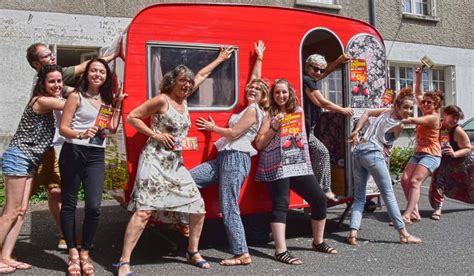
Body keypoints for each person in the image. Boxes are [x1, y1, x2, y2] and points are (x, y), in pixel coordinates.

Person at [114, 46, 234, 275]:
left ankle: (192, 252)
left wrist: (220, 58)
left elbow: (202, 75)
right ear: (173, 81)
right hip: (154, 160)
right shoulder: (162, 100)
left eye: (189, 82)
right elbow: (132, 117)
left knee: (198, 207)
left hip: (174, 163)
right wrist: (156, 134)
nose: (187, 85)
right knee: (143, 211)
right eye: (182, 81)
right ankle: (124, 261)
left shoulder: (185, 99)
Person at [26, 42, 119, 249]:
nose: (52, 57)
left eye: (52, 54)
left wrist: (115, 104)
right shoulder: (47, 91)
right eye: (46, 56)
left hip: (56, 148)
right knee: (21, 205)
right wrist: (79, 101)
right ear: (36, 64)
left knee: (59, 193)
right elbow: (81, 76)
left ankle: (66, 238)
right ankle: (5, 245)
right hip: (34, 150)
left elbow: (86, 68)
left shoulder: (68, 81)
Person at [189, 41, 269, 266]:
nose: (252, 89)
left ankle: (242, 253)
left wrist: (212, 128)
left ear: (263, 96)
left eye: (257, 90)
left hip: (236, 158)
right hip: (223, 158)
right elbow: (255, 80)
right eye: (250, 88)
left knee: (229, 205)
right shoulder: (249, 105)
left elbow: (234, 133)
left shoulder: (254, 110)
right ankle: (182, 219)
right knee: (188, 180)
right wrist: (259, 58)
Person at [255, 78, 336, 266]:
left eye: (284, 92)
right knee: (281, 204)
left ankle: (318, 241)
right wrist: (274, 126)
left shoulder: (297, 112)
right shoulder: (269, 114)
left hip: (297, 163)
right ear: (273, 95)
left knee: (318, 199)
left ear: (290, 93)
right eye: (277, 92)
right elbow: (259, 144)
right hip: (275, 164)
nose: (281, 95)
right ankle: (280, 251)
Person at [59, 58, 125, 276]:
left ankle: (85, 252)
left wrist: (117, 105)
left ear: (106, 77)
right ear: (86, 74)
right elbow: (63, 128)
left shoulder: (106, 99)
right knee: (69, 205)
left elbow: (112, 129)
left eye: (102, 72)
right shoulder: (75, 96)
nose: (98, 74)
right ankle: (72, 254)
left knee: (94, 206)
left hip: (96, 154)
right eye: (94, 70)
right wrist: (80, 133)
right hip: (73, 152)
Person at [0, 65, 66, 274]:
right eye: (52, 81)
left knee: (20, 211)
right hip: (18, 158)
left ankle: (6, 256)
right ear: (42, 84)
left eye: (59, 81)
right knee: (10, 212)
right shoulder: (41, 101)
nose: (57, 85)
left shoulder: (49, 100)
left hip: (29, 161)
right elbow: (71, 104)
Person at [346, 88, 422, 245]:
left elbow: (367, 112)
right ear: (397, 106)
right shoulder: (398, 124)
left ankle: (353, 233)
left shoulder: (386, 111)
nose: (408, 111)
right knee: (388, 194)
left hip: (359, 151)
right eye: (405, 107)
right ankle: (403, 234)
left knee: (360, 196)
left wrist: (357, 131)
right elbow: (391, 137)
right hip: (373, 153)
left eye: (410, 108)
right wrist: (404, 123)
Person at [303, 53, 353, 200]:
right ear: (307, 66)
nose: (318, 72)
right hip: (306, 129)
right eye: (315, 68)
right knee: (323, 153)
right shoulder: (306, 80)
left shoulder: (310, 78)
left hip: (309, 128)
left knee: (316, 157)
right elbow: (321, 102)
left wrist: (338, 60)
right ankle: (322, 190)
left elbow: (325, 72)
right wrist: (343, 110)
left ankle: (321, 189)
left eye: (321, 70)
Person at [400, 67, 444, 224]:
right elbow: (418, 92)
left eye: (428, 102)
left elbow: (414, 120)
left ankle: (407, 214)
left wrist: (402, 118)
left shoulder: (433, 117)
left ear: (436, 105)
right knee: (405, 180)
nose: (424, 103)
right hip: (419, 152)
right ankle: (415, 212)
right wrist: (418, 75)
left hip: (431, 155)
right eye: (423, 101)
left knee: (414, 182)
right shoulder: (426, 109)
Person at [429, 105, 473, 220]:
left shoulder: (458, 130)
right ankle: (437, 209)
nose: (454, 121)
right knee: (438, 180)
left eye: (457, 118)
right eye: (453, 117)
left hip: (463, 161)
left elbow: (468, 147)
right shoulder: (437, 125)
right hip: (443, 160)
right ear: (445, 114)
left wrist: (454, 154)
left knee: (469, 186)